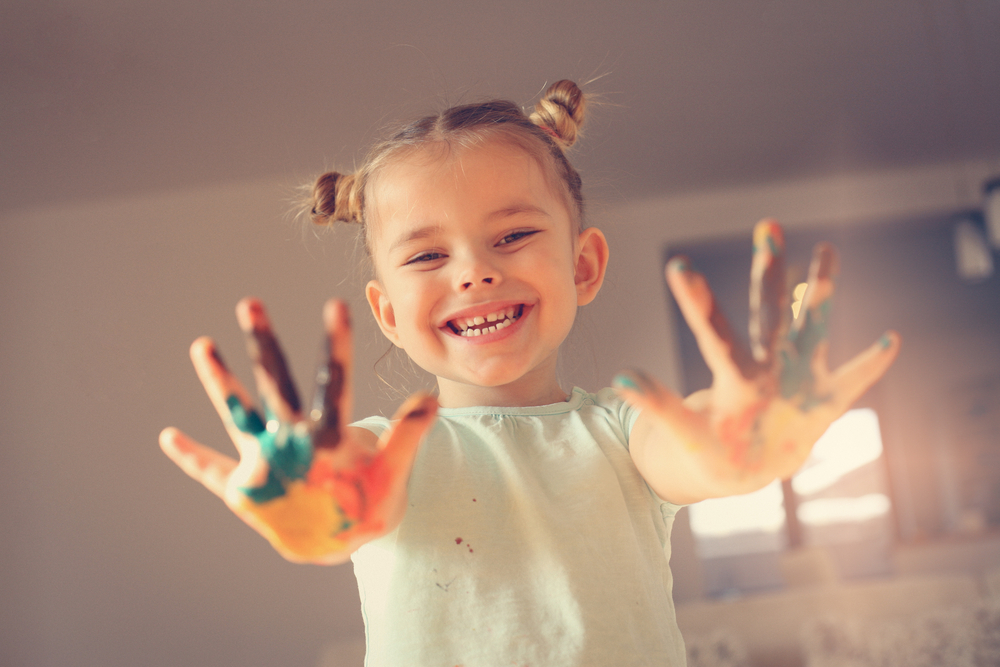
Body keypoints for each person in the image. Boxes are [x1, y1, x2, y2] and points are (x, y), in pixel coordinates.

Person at [159, 80, 900, 666]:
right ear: (387, 314)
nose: (476, 271)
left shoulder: (622, 429)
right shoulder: (380, 455)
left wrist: (734, 446)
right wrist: (324, 514)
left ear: (582, 266)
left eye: (512, 235)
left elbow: (691, 451)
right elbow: (351, 509)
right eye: (426, 256)